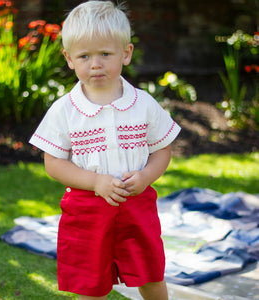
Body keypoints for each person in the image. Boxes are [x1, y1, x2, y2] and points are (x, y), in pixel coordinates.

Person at [29, 1, 181, 299]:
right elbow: (54, 164)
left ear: (126, 54)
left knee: (149, 272)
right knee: (90, 282)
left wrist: (147, 176)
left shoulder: (143, 104)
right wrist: (96, 182)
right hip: (86, 210)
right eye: (84, 56)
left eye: (105, 54)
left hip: (137, 205)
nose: (95, 64)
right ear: (69, 59)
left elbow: (162, 150)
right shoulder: (65, 111)